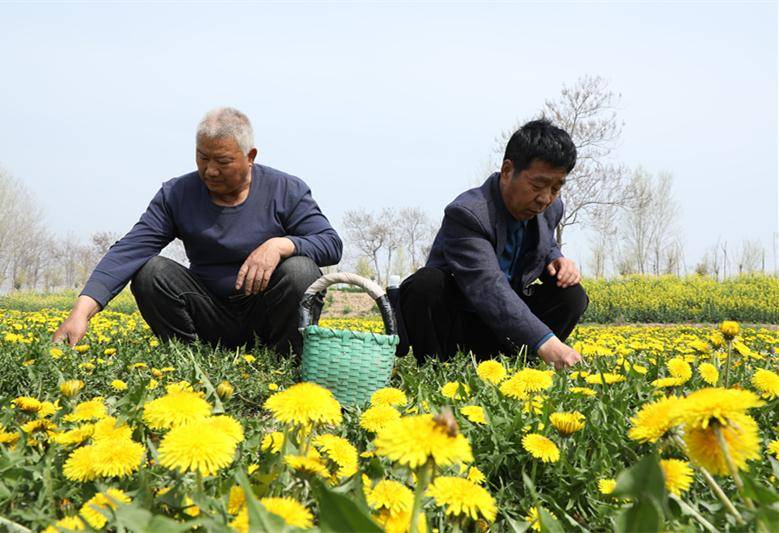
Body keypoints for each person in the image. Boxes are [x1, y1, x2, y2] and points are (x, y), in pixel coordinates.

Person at [53, 107, 342, 355]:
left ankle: (285, 358)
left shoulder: (286, 190)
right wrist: (81, 311)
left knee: (301, 270)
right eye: (203, 158)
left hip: (265, 315)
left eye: (223, 161)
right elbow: (131, 249)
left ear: (250, 156)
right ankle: (188, 356)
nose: (210, 170)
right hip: (208, 313)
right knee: (150, 272)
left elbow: (330, 243)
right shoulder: (177, 193)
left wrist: (281, 245)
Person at [397, 119, 587, 369]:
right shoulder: (467, 213)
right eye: (537, 186)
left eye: (556, 188)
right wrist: (546, 341)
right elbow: (487, 286)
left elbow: (543, 243)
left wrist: (556, 258)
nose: (545, 198)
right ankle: (437, 366)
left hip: (505, 330)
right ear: (508, 171)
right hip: (460, 322)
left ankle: (519, 361)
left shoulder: (551, 209)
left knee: (571, 295)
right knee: (426, 284)